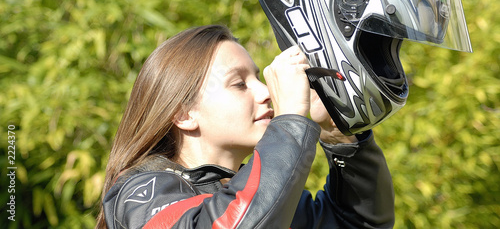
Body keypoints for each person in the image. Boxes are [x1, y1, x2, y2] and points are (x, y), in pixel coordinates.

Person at [96, 24, 395, 229]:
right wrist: (289, 119)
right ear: (184, 114)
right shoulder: (141, 193)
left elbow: (357, 223)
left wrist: (338, 135)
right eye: (240, 84)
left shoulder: (259, 193)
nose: (265, 92)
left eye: (258, 78)